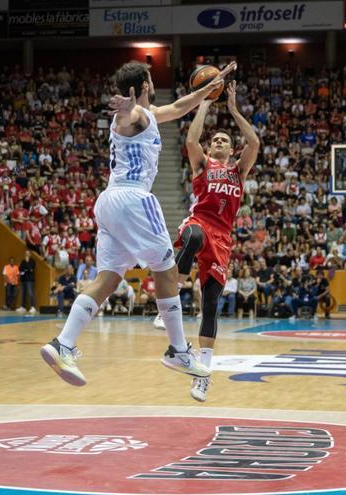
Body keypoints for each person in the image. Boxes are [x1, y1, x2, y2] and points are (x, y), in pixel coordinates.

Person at [40, 60, 236, 386]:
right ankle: (177, 350)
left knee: (108, 278)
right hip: (133, 199)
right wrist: (124, 111)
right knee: (168, 271)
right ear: (144, 85)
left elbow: (179, 106)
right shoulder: (137, 116)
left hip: (108, 203)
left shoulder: (153, 114)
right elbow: (127, 119)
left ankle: (63, 343)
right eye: (150, 80)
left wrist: (208, 91)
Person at [153, 80, 259, 402]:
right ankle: (167, 307)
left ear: (231, 150)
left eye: (224, 140)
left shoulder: (238, 172)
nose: (218, 143)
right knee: (194, 236)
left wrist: (233, 110)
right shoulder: (202, 165)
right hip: (200, 223)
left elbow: (253, 142)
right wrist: (204, 102)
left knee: (211, 305)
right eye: (215, 140)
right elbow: (190, 139)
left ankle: (203, 377)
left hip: (223, 238)